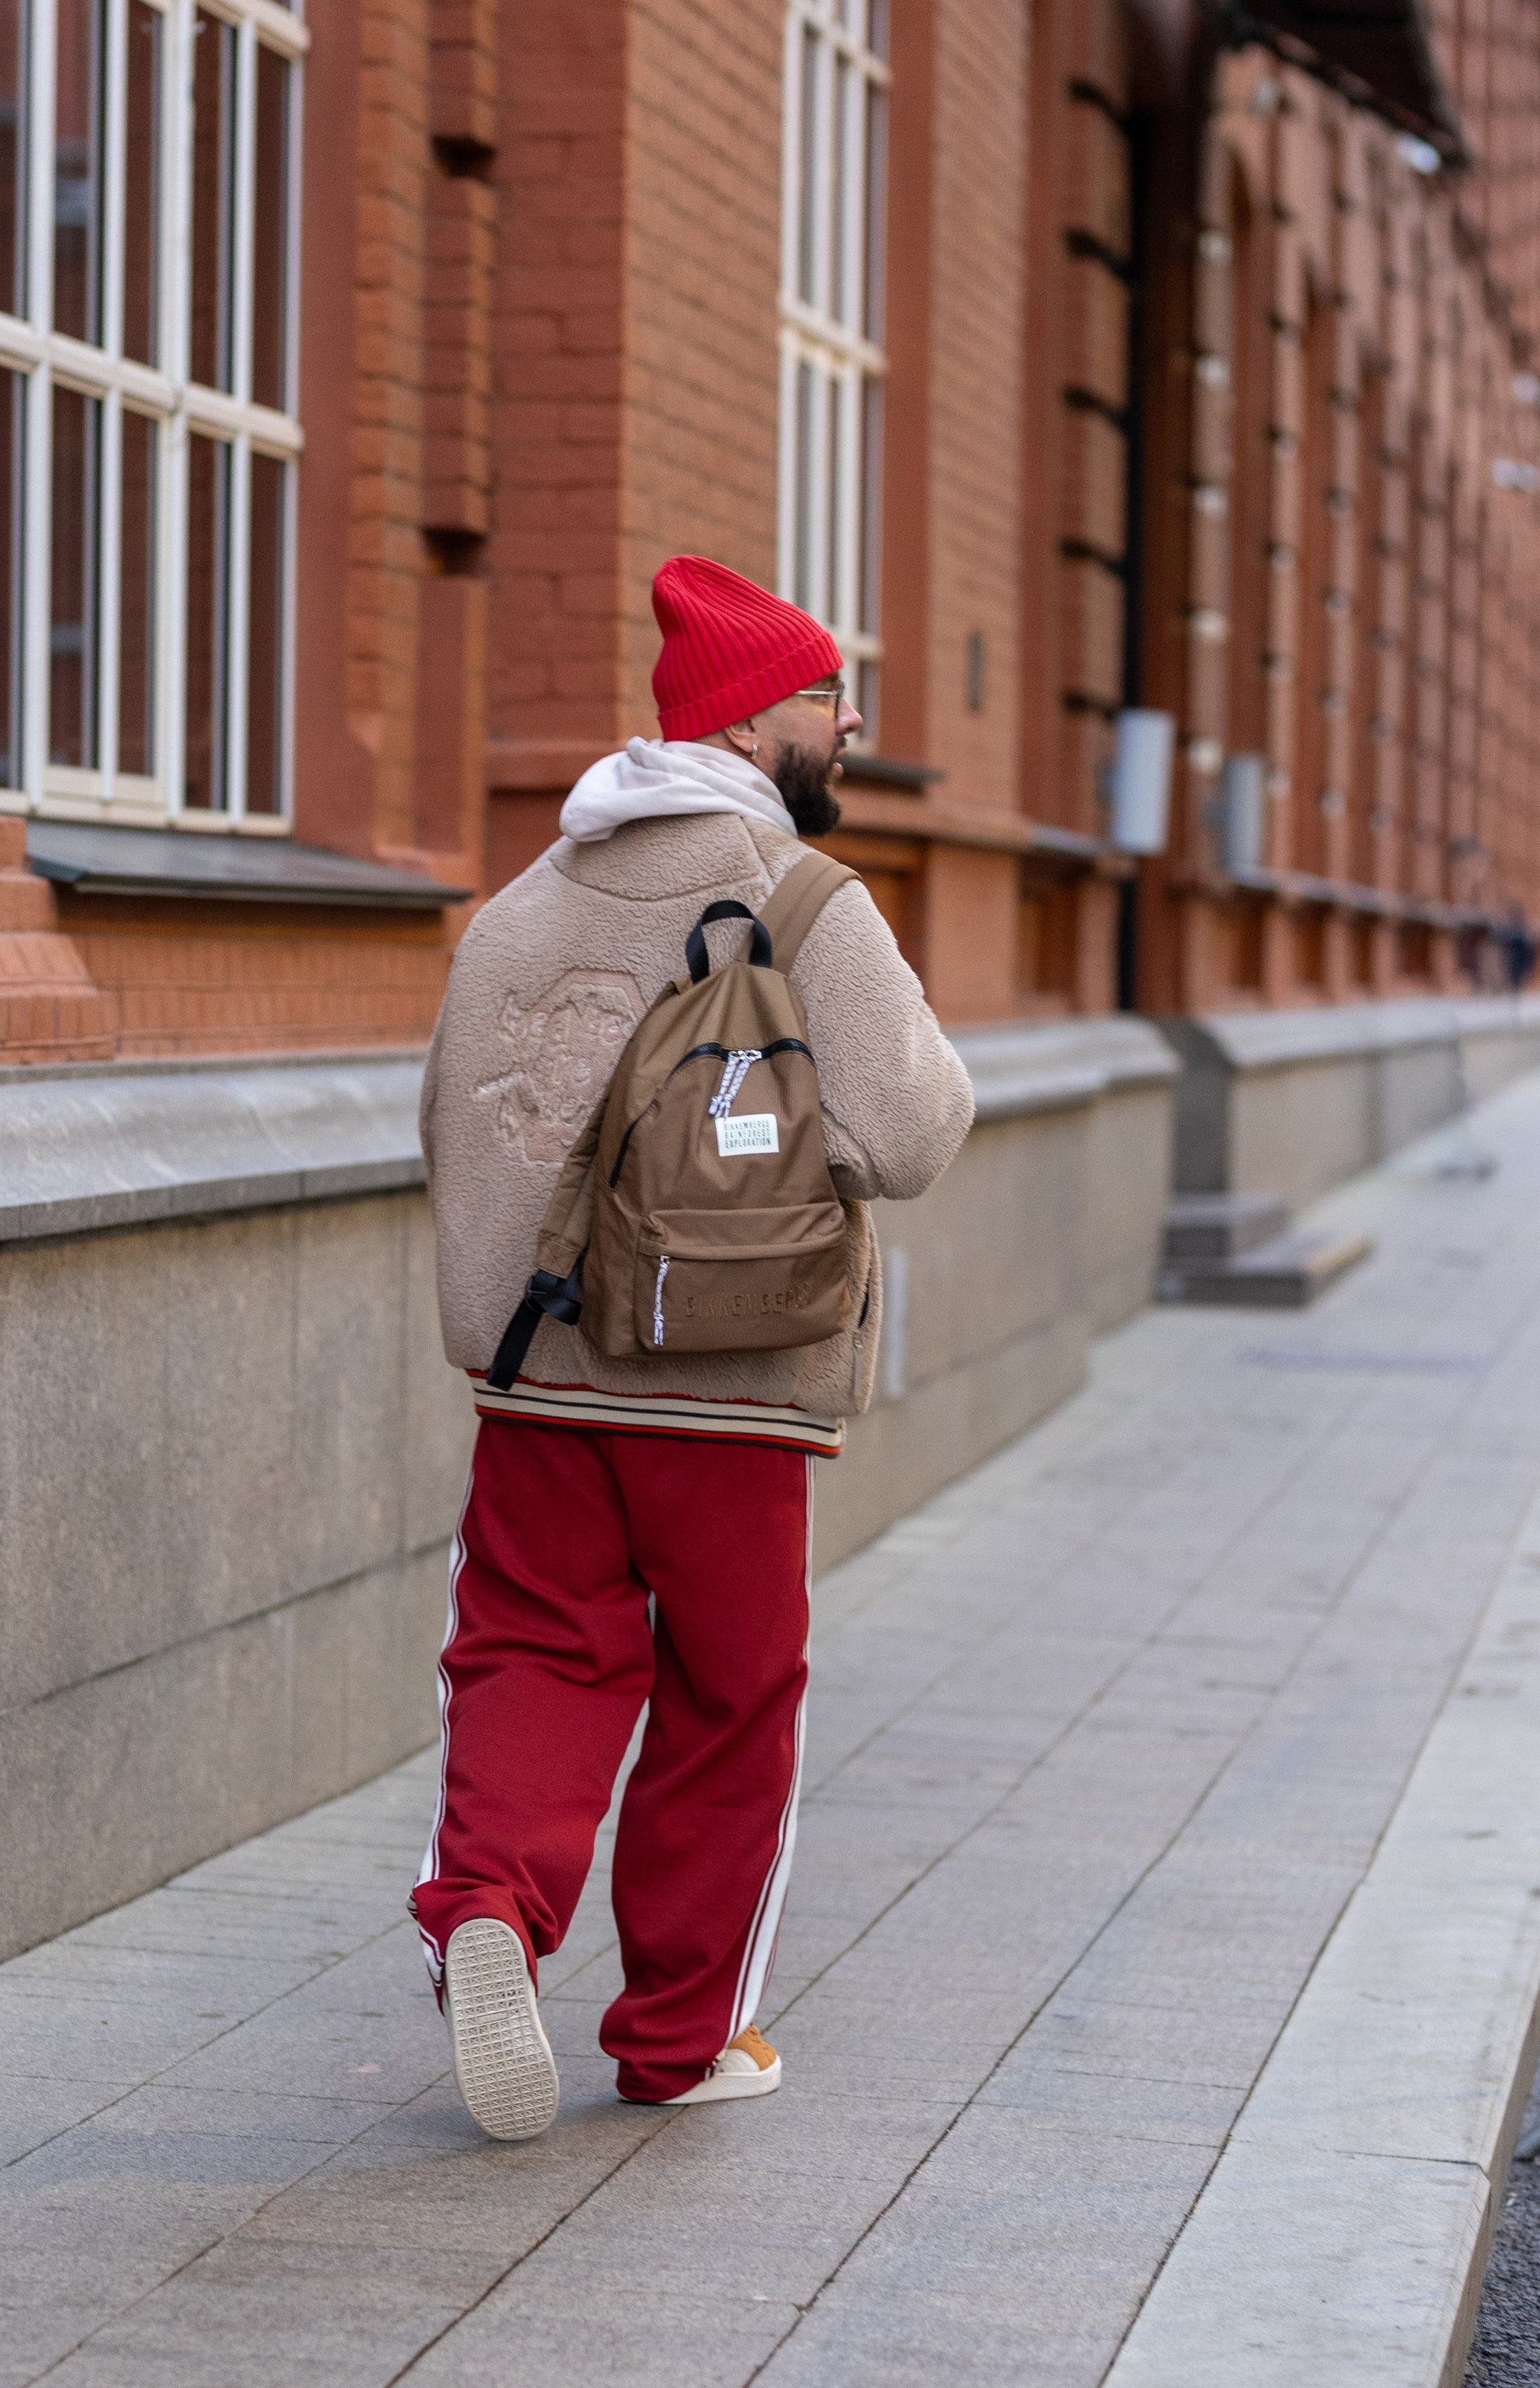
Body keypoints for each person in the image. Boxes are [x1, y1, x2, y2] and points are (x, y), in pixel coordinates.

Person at [412, 555, 974, 2139]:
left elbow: (449, 1134)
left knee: (527, 1650)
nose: (848, 715)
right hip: (727, 1384)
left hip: (539, 1381)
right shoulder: (802, 899)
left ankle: (489, 1908)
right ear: (749, 719)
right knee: (730, 1698)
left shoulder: (523, 903)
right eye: (823, 692)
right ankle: (674, 2040)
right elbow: (915, 1129)